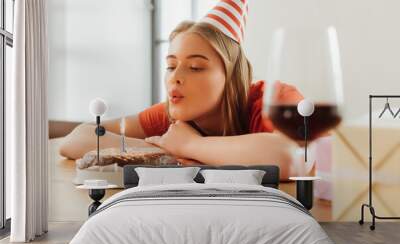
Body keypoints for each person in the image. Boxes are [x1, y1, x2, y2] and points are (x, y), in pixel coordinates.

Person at [59, 0, 303, 179]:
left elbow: (293, 159)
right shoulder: (172, 112)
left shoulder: (275, 99)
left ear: (231, 77)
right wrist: (162, 152)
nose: (175, 77)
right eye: (171, 65)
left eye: (196, 67)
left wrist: (190, 146)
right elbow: (77, 138)